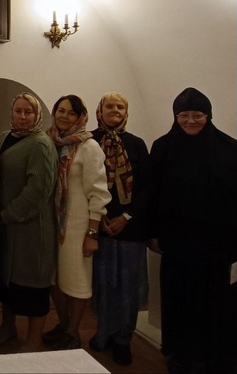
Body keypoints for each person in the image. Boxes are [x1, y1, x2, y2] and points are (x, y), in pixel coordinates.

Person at [148, 88, 236, 374]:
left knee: (214, 300)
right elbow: (153, 193)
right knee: (179, 298)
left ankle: (212, 357)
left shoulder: (230, 148)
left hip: (216, 243)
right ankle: (181, 354)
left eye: (197, 115)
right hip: (177, 242)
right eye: (183, 115)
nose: (190, 121)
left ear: (208, 115)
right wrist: (153, 232)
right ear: (175, 117)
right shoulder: (163, 147)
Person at [43, 94, 110, 350]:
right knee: (55, 280)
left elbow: (98, 192)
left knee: (77, 280)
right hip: (52, 224)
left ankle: (73, 332)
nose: (64, 116)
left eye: (71, 112)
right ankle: (63, 325)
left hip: (78, 226)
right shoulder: (50, 142)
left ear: (81, 117)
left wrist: (92, 233)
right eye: (61, 110)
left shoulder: (88, 146)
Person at [89, 92, 151, 366]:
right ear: (100, 111)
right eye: (110, 106)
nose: (115, 110)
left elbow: (147, 187)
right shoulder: (89, 141)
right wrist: (98, 216)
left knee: (128, 288)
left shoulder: (137, 144)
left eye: (120, 106)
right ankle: (103, 332)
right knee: (103, 285)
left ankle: (123, 340)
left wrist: (125, 216)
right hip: (99, 227)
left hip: (130, 229)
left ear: (126, 112)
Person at [0, 93, 58, 353]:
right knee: (8, 283)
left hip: (32, 230)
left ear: (37, 115)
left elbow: (38, 191)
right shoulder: (3, 138)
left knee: (32, 285)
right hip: (7, 229)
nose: (22, 116)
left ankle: (34, 339)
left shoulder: (40, 144)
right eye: (18, 111)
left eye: (28, 112)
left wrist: (8, 214)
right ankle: (8, 327)